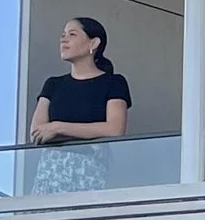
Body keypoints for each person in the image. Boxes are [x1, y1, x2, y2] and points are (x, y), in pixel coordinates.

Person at [27, 16, 131, 190]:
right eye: (63, 34)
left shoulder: (114, 83)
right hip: (50, 171)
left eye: (72, 34)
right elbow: (36, 133)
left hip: (89, 169)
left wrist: (57, 128)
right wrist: (87, 131)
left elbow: (114, 129)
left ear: (93, 43)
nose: (63, 39)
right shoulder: (53, 84)